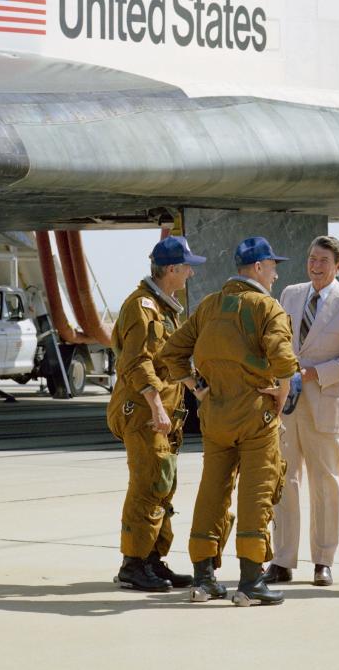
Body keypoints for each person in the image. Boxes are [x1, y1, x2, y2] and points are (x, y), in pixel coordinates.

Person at [160, 236, 300, 606]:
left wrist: (198, 388)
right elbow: (285, 361)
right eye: (272, 266)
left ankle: (204, 580)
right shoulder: (266, 308)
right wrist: (282, 395)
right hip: (255, 413)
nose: (274, 273)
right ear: (258, 267)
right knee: (258, 490)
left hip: (216, 413)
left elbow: (171, 353)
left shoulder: (209, 305)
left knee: (212, 490)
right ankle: (251, 583)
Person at [264, 235, 339, 587]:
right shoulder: (290, 295)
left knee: (326, 485)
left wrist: (312, 373)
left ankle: (323, 560)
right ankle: (282, 559)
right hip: (288, 404)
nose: (316, 265)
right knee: (285, 480)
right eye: (312, 258)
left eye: (323, 260)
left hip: (324, 400)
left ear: (338, 266)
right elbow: (277, 341)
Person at [106, 235, 206, 592]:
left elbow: (168, 359)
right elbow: (136, 362)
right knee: (148, 484)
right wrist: (156, 406)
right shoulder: (141, 307)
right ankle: (133, 564)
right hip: (144, 413)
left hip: (163, 414)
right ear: (171, 270)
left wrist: (195, 388)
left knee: (163, 483)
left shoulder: (164, 307)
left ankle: (151, 558)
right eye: (187, 267)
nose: (191, 273)